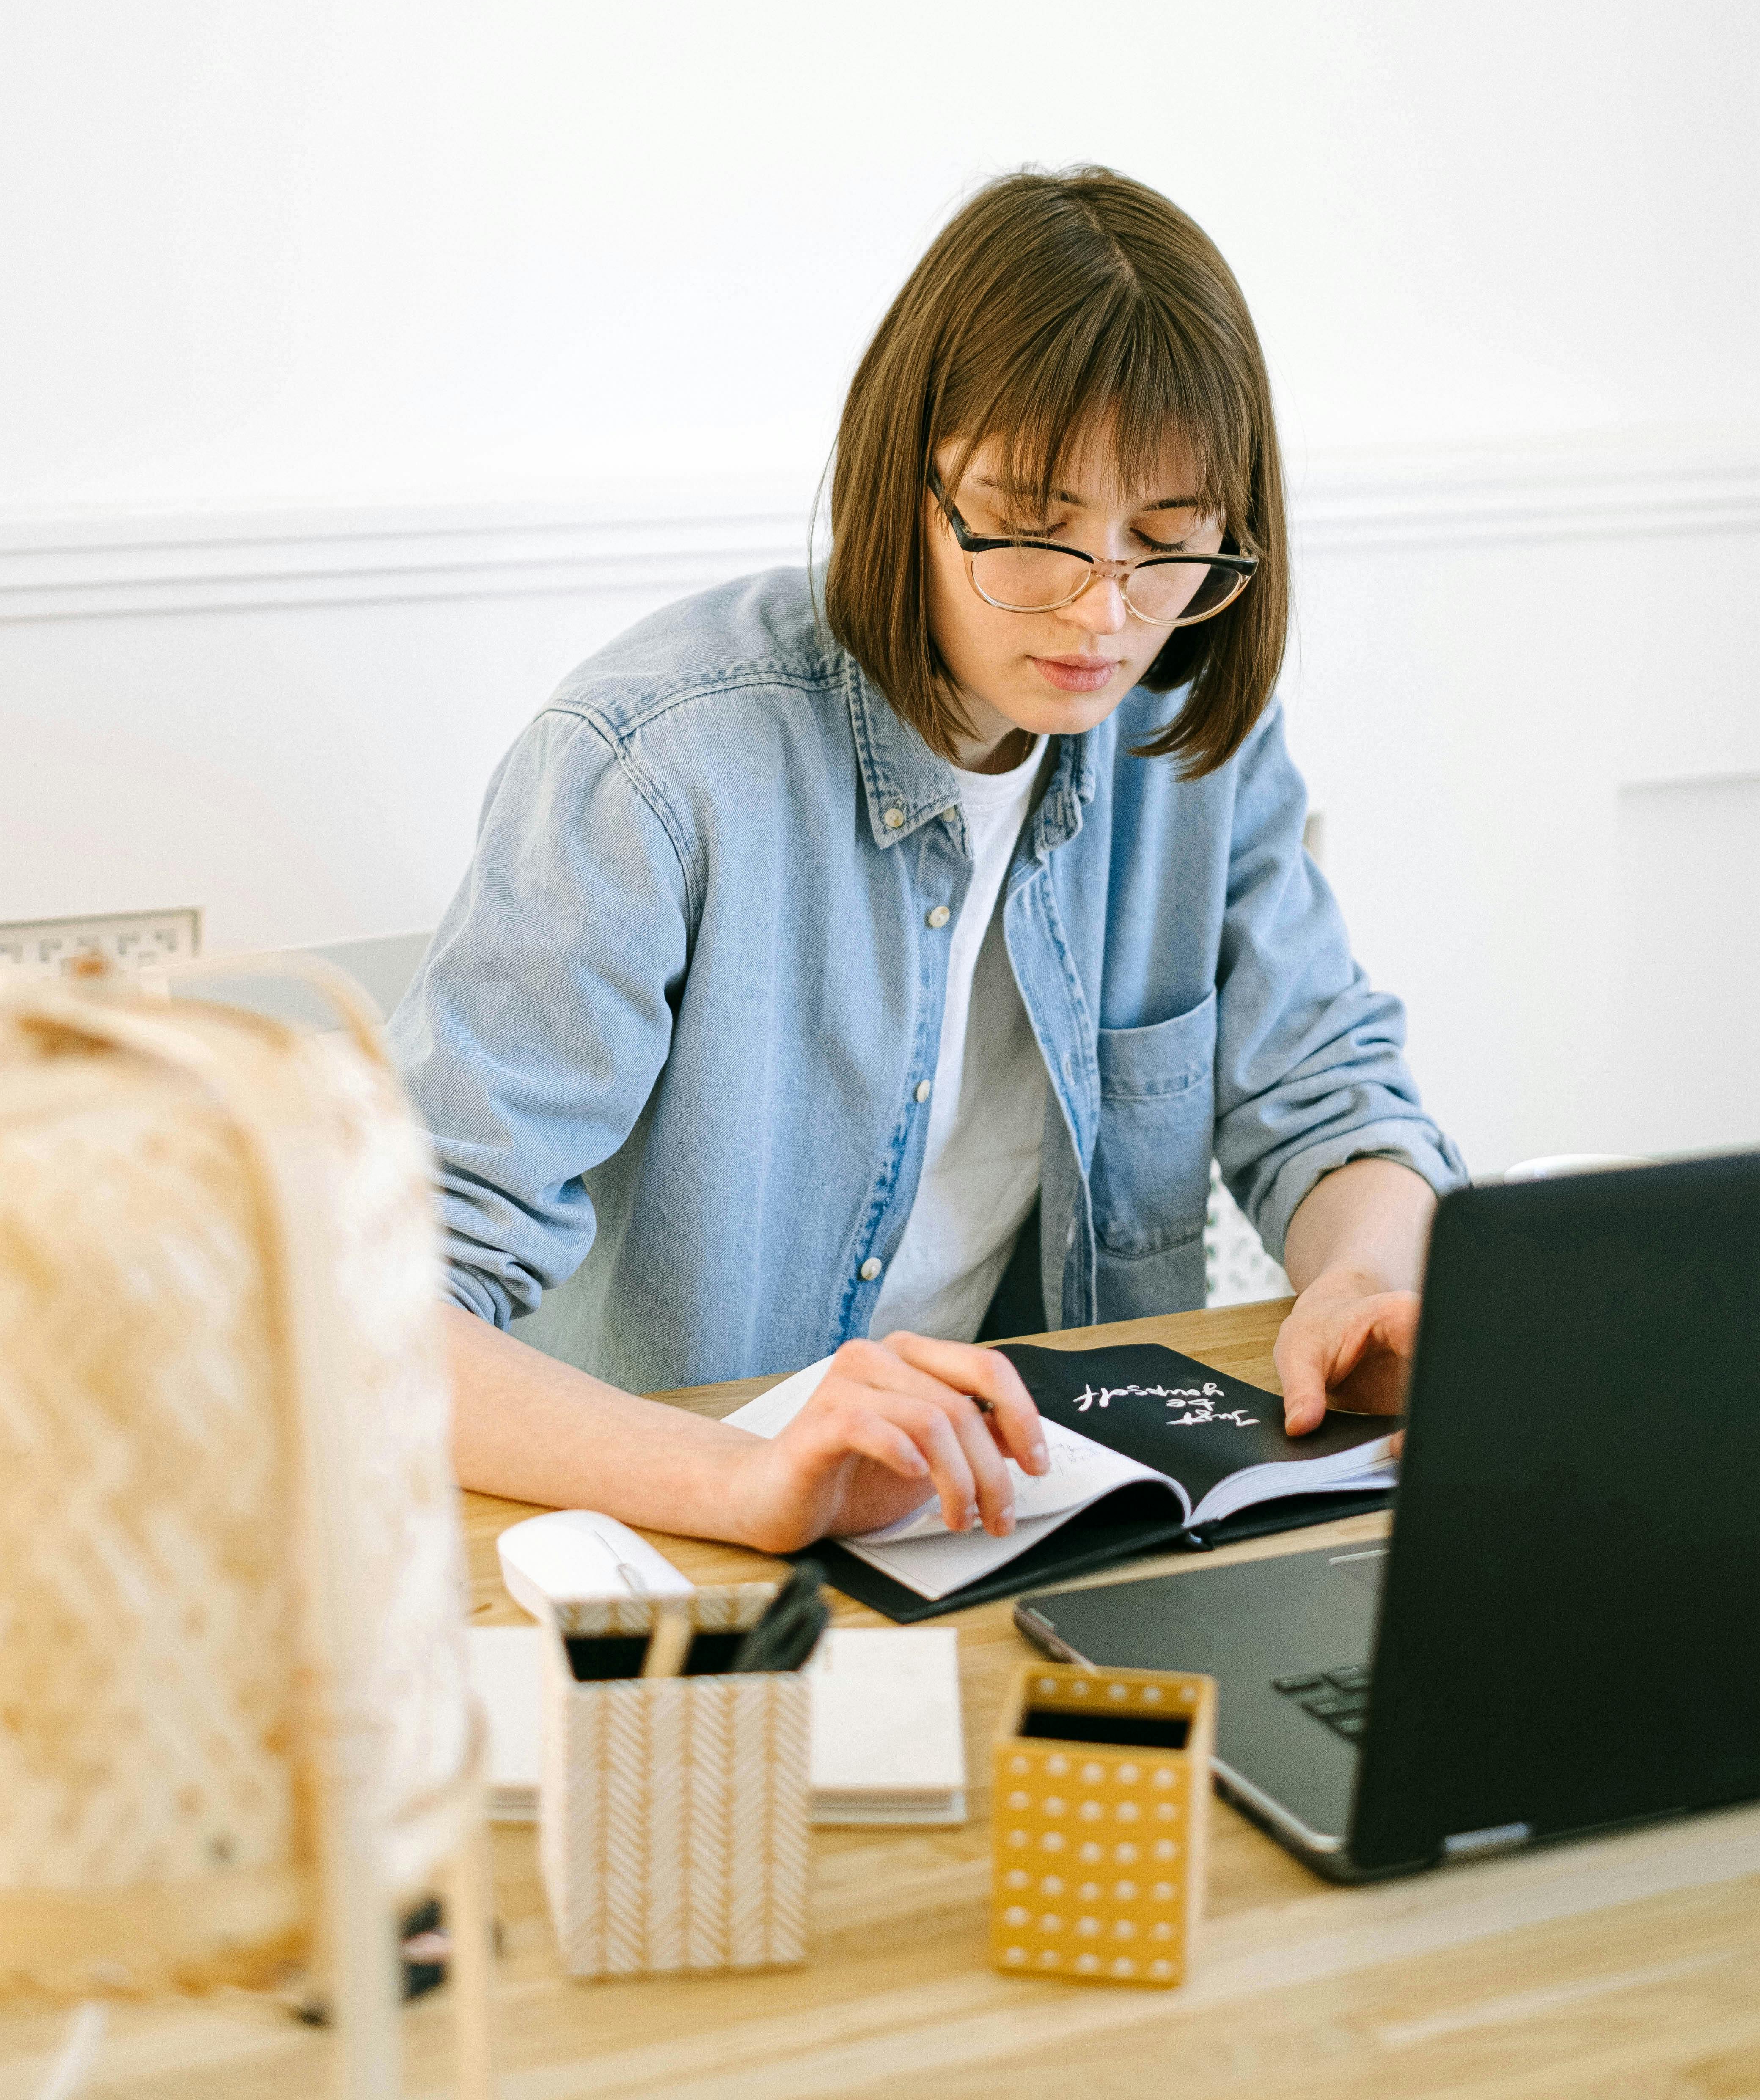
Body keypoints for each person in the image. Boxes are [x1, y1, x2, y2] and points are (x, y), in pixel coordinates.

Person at [393, 168, 1466, 1555]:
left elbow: (1328, 1101)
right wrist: (743, 1481)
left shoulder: (1188, 744)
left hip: (1025, 1509)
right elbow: (379, 1311)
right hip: (676, 1544)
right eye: (1034, 529)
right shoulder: (654, 768)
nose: (1106, 613)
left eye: (1169, 544)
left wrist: (1369, 1281)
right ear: (908, 484)